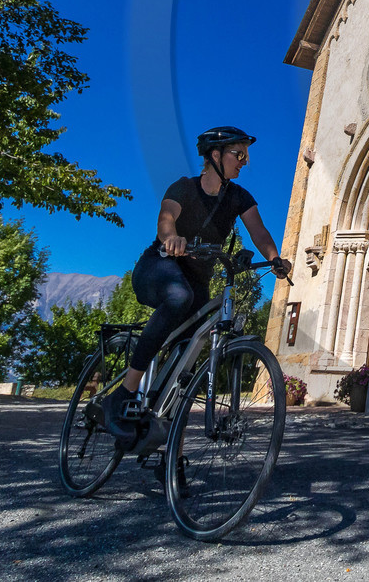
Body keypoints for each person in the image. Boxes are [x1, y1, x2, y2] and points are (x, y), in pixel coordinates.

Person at [102, 125, 291, 446]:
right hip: (159, 267)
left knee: (189, 355)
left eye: (246, 155)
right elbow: (166, 217)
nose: (244, 161)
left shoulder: (238, 197)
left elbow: (258, 231)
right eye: (238, 154)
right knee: (179, 296)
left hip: (197, 281)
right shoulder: (185, 187)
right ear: (215, 156)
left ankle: (166, 446)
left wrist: (275, 258)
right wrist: (171, 238)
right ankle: (124, 392)